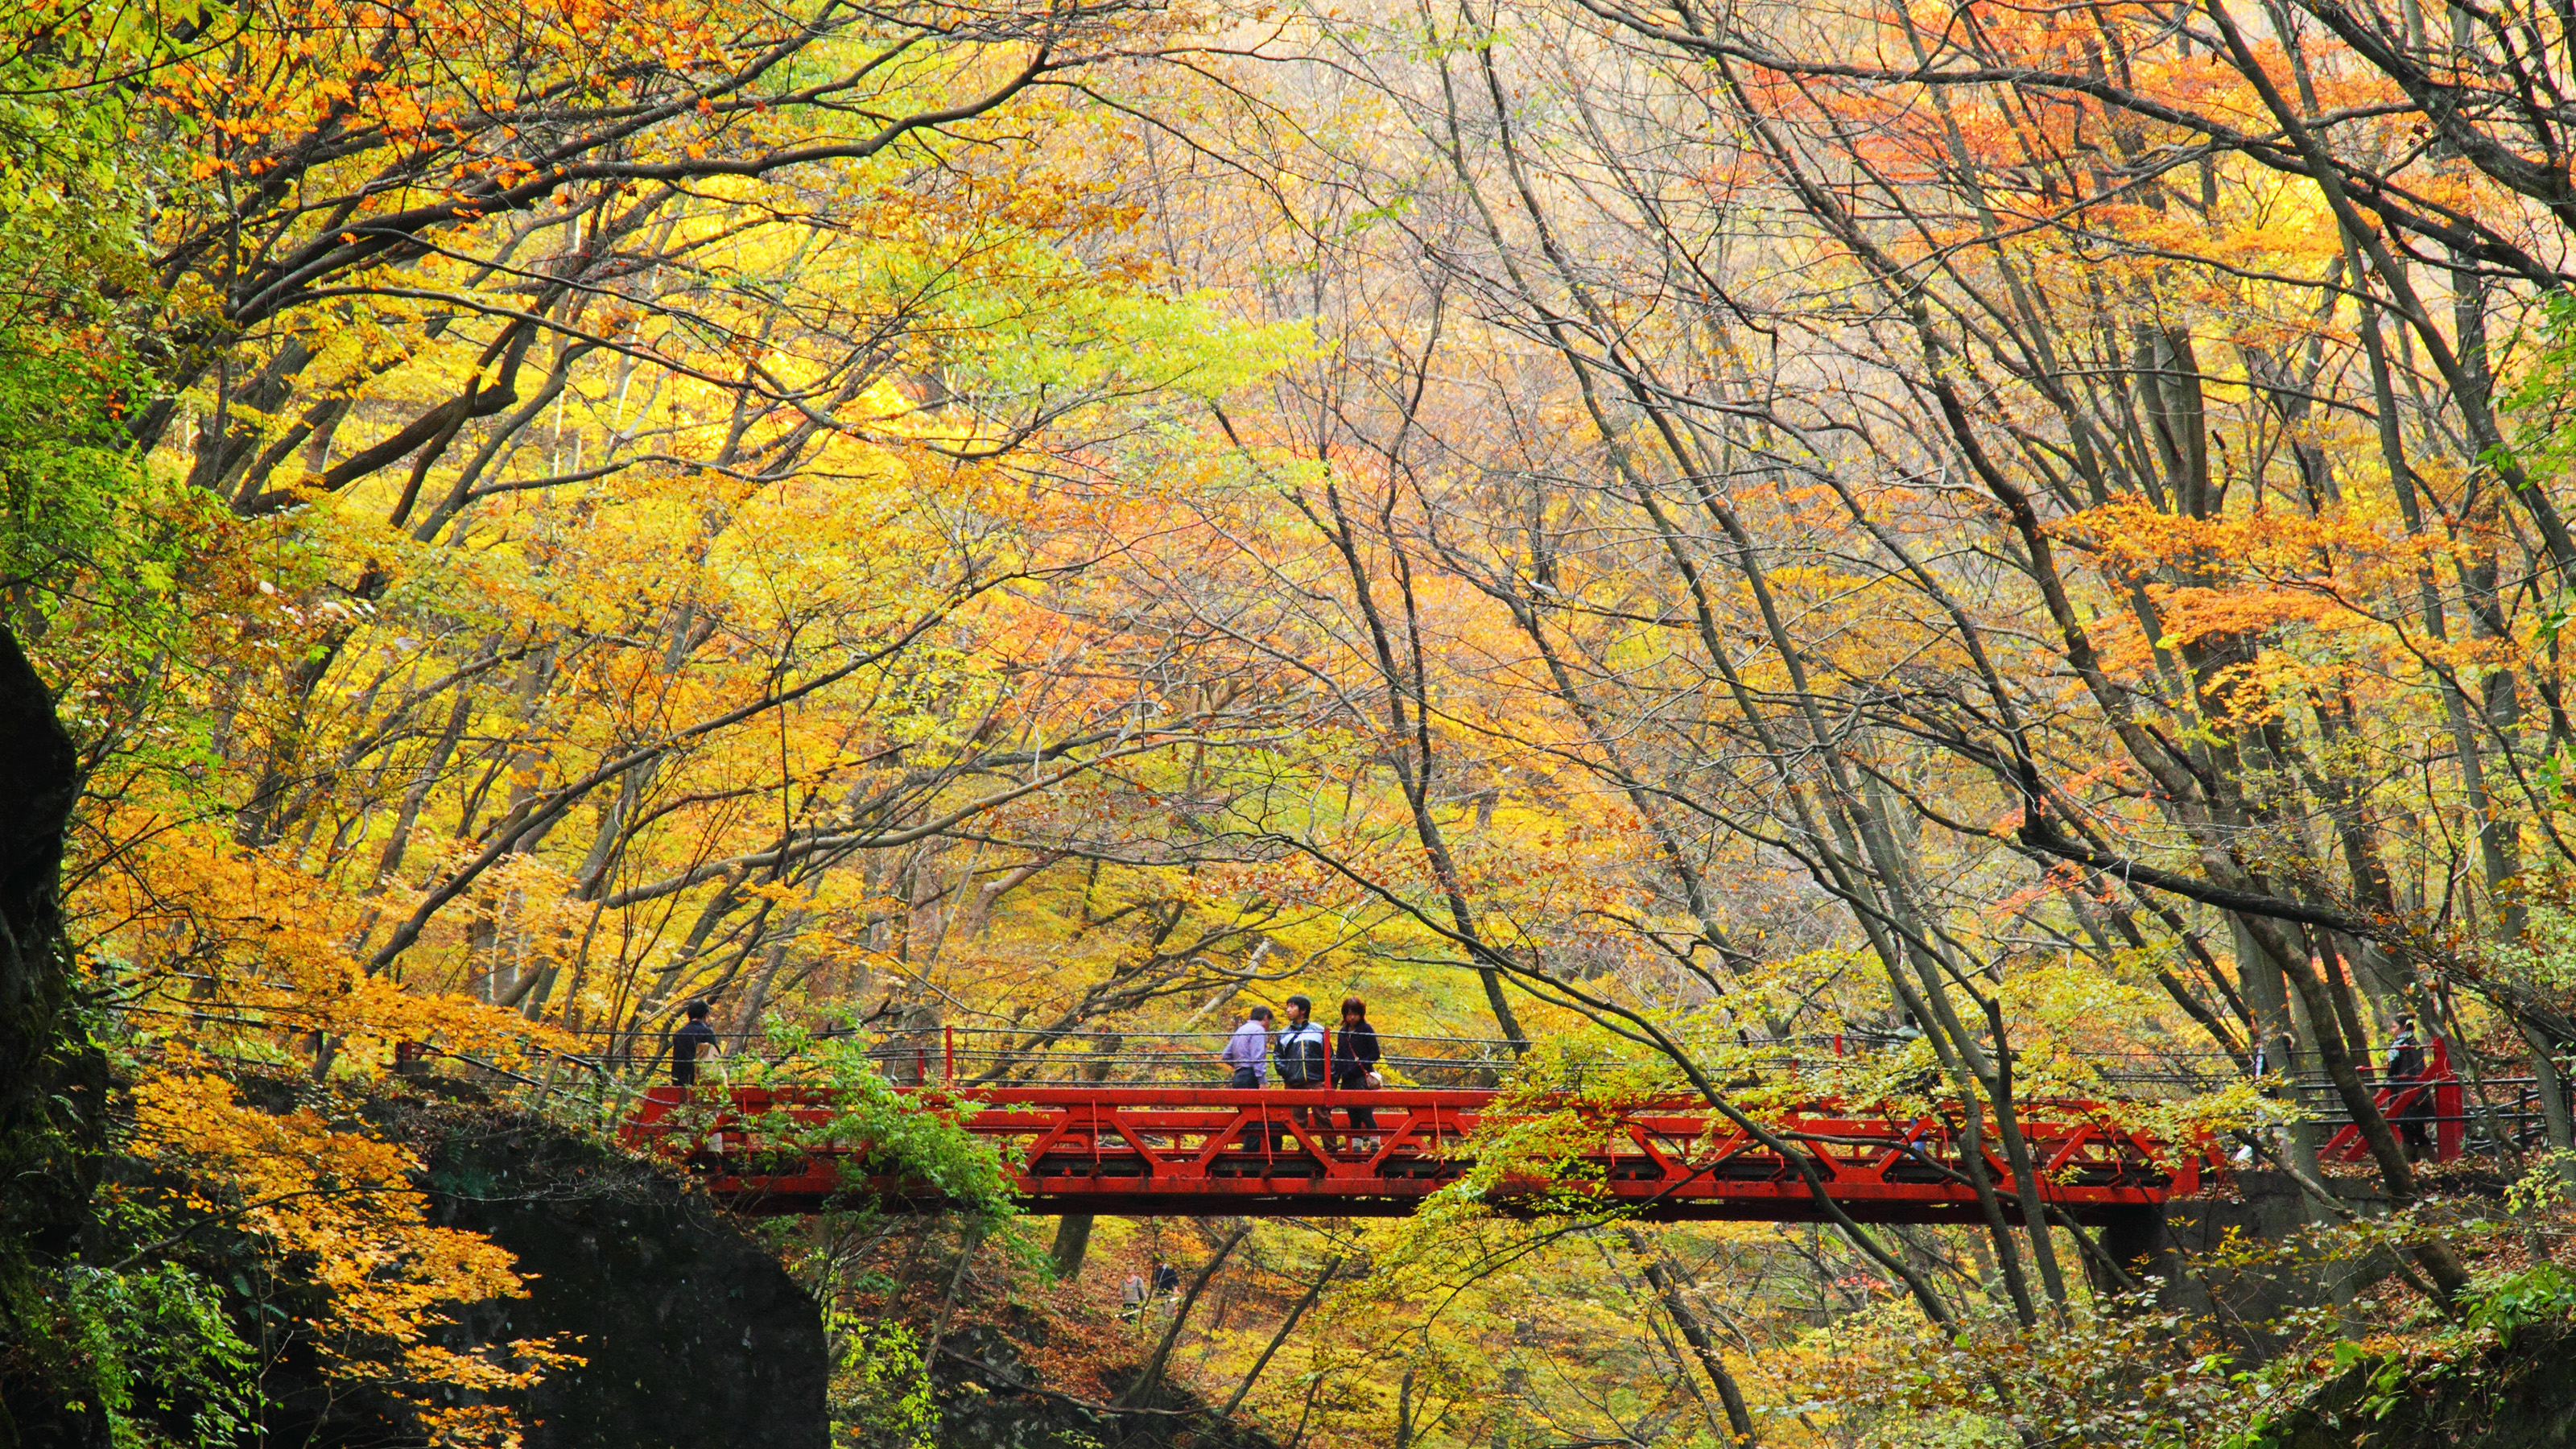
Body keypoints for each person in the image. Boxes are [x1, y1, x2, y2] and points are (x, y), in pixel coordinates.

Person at [1274, 994, 1331, 1139]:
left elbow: (1329, 1056)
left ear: (1303, 1010)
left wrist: (1329, 1080)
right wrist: (1287, 1073)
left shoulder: (1319, 1030)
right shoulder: (1283, 1034)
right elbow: (1278, 1057)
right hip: (1294, 1082)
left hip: (1317, 1081)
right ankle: (1305, 1153)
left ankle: (1332, 1152)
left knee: (1323, 1117)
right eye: (1287, 1006)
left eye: (1292, 1006)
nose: (1288, 1010)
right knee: (1298, 1120)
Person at [1332, 995, 1382, 1146]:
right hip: (1347, 1078)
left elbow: (1375, 1053)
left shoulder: (1366, 1029)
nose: (1352, 1017)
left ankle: (1374, 1141)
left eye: (1355, 1014)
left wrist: (1360, 1065)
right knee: (1352, 1113)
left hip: (1361, 1076)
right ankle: (1356, 1146)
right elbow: (1340, 1055)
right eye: (1349, 1014)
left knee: (1365, 1111)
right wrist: (1338, 1075)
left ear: (1361, 1014)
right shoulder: (1343, 1033)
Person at [2385, 1015, 2435, 1160]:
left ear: (2402, 1028)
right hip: (2402, 1091)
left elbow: (2419, 1069)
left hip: (2411, 1093)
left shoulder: (2413, 1045)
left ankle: (2419, 1159)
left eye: (2394, 1027)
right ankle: (2415, 1159)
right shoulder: (2398, 1045)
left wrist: (2418, 1093)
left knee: (2415, 1128)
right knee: (2406, 1127)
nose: (2391, 1030)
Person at [1222, 1005, 1274, 1088]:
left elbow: (1226, 1055)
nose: (1269, 1025)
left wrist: (1239, 1065)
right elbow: (1258, 1057)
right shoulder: (1258, 1030)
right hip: (1251, 1077)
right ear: (1265, 1017)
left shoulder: (1241, 1029)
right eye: (1269, 1021)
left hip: (1238, 1076)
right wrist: (1262, 1081)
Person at [673, 1000, 718, 1088]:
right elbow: (715, 1055)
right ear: (706, 1015)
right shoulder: (707, 1032)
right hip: (700, 1079)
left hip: (679, 1079)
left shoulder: (679, 1033)